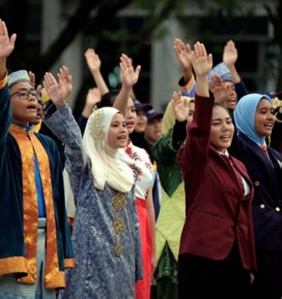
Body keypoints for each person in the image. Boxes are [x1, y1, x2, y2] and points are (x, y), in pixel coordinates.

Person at [0, 19, 74, 298]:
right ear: (7, 101)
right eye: (22, 94)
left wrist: (61, 104)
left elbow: (75, 152)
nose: (32, 99)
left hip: (49, 250)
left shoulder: (47, 146)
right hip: (13, 248)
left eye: (34, 94)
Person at [42, 63, 143, 298]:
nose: (122, 130)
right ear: (99, 130)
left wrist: (137, 263)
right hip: (91, 259)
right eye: (114, 125)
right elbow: (75, 143)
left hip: (122, 261)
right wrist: (60, 105)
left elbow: (134, 223)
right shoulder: (87, 165)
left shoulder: (126, 168)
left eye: (123, 126)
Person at [177, 42, 256, 297]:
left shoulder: (239, 164)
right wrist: (200, 79)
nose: (225, 129)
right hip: (204, 256)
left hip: (237, 259)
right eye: (217, 124)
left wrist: (249, 263)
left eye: (228, 123)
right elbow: (197, 128)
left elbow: (244, 217)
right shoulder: (197, 159)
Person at [113, 54, 156, 299]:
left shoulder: (141, 153)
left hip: (142, 225)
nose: (129, 116)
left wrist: (153, 246)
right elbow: (112, 114)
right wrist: (127, 87)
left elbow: (149, 201)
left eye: (133, 110)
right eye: (125, 110)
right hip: (118, 221)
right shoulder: (108, 150)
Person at [231, 93, 282, 295]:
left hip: (275, 240)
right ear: (245, 116)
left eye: (271, 112)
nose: (270, 117)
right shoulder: (239, 147)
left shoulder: (273, 154)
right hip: (256, 242)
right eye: (262, 112)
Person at [153, 93, 194, 299]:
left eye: (195, 114)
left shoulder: (208, 153)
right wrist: (180, 125)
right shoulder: (166, 151)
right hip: (173, 242)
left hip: (200, 242)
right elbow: (169, 148)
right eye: (189, 114)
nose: (192, 118)